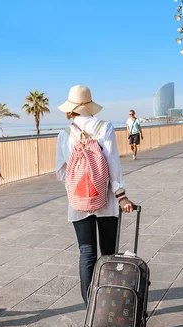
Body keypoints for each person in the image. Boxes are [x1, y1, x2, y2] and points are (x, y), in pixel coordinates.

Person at [55, 85, 135, 305]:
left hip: (78, 203)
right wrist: (121, 194)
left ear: (71, 108)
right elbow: (113, 165)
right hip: (106, 200)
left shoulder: (64, 134)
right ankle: (108, 303)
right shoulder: (105, 127)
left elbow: (60, 171)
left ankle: (90, 307)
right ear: (89, 106)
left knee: (86, 253)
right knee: (108, 254)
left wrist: (79, 183)